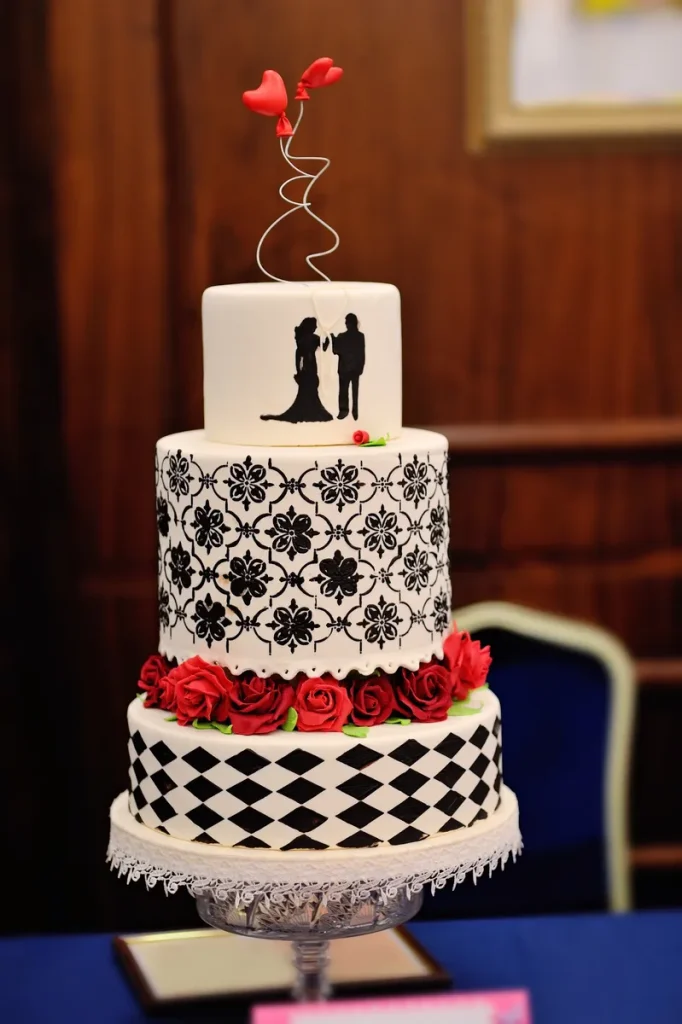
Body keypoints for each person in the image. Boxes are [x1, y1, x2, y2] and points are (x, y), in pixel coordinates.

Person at [261, 316, 333, 423]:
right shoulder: (313, 338)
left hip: (305, 367)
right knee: (311, 388)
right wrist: (328, 337)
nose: (316, 327)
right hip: (311, 365)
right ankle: (311, 411)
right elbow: (324, 347)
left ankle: (307, 410)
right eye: (315, 325)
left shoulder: (302, 339)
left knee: (306, 389)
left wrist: (298, 371)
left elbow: (298, 356)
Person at [330, 312, 365, 420]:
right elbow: (361, 353)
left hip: (344, 368)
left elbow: (336, 350)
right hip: (355, 368)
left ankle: (344, 411)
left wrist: (333, 339)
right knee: (354, 392)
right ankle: (355, 412)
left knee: (343, 391)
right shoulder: (360, 336)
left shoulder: (342, 336)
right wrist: (360, 367)